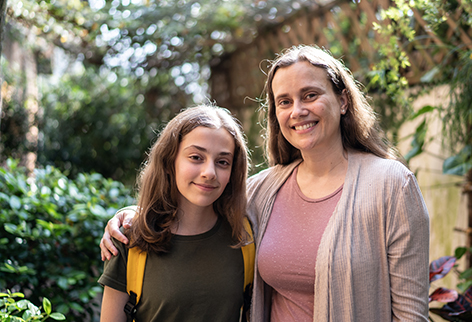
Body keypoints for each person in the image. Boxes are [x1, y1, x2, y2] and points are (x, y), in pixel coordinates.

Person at [100, 45, 430, 321]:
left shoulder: (391, 186)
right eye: (284, 101)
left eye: (310, 95)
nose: (297, 111)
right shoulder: (263, 190)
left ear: (343, 101)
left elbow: (411, 313)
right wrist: (133, 214)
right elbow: (199, 202)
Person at [98, 104, 252, 322]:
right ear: (170, 161)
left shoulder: (245, 238)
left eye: (222, 162)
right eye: (196, 157)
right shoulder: (129, 238)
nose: (209, 173)